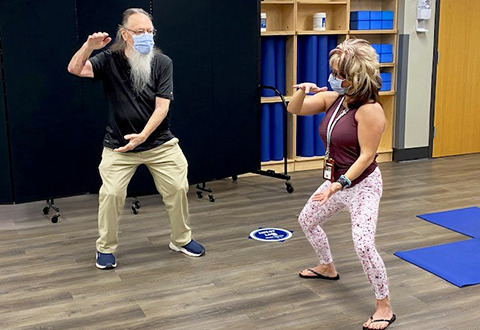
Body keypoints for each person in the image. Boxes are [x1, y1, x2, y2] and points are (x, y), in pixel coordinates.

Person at [67, 8, 205, 270]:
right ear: (125, 34)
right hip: (119, 147)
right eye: (139, 32)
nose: (146, 37)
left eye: (150, 32)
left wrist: (143, 136)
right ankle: (105, 248)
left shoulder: (163, 62)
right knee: (111, 194)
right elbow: (75, 68)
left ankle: (181, 239)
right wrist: (88, 46)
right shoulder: (108, 59)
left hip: (159, 143)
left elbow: (162, 108)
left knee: (177, 189)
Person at [288, 39, 396, 330]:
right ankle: (327, 267)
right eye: (333, 72)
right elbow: (294, 110)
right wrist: (301, 91)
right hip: (337, 182)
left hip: (362, 185)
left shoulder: (370, 111)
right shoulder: (335, 100)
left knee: (363, 244)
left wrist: (341, 183)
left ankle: (384, 306)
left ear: (355, 78)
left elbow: (367, 156)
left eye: (339, 74)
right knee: (307, 219)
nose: (333, 78)